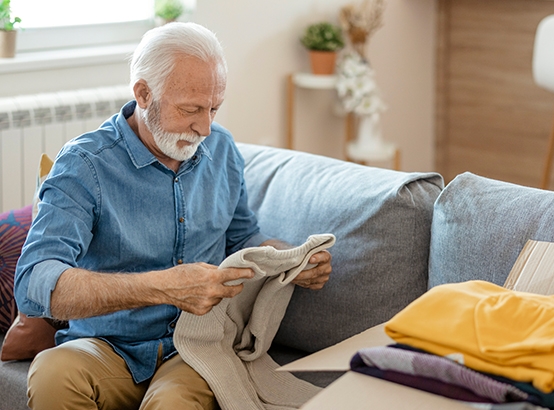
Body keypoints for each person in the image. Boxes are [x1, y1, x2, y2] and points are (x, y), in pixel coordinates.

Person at [13, 22, 332, 410]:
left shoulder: (223, 150)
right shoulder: (85, 165)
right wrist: (162, 287)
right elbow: (34, 282)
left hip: (196, 349)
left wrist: (290, 258)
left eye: (214, 108)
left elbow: (243, 239)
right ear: (144, 94)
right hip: (106, 347)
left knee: (173, 404)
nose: (205, 127)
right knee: (52, 373)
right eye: (191, 109)